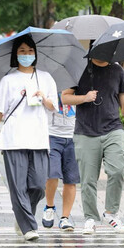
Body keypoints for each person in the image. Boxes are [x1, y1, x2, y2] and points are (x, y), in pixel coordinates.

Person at [0, 34, 57, 241]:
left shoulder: (46, 78)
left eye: (30, 51)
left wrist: (44, 98)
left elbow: (54, 107)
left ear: (36, 54)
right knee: (18, 186)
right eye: (22, 51)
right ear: (15, 55)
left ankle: (22, 215)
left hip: (39, 139)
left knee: (37, 186)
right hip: (14, 139)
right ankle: (28, 227)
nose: (27, 55)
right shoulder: (7, 81)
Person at [61, 57, 124, 235]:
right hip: (85, 132)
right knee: (88, 180)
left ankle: (111, 213)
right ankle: (90, 218)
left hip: (113, 129)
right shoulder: (79, 68)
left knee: (118, 170)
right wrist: (84, 97)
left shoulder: (117, 70)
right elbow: (65, 97)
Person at [42, 93, 79, 231]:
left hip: (73, 136)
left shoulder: (78, 86)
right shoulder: (50, 84)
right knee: (52, 174)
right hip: (52, 135)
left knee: (71, 180)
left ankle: (65, 218)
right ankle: (50, 207)